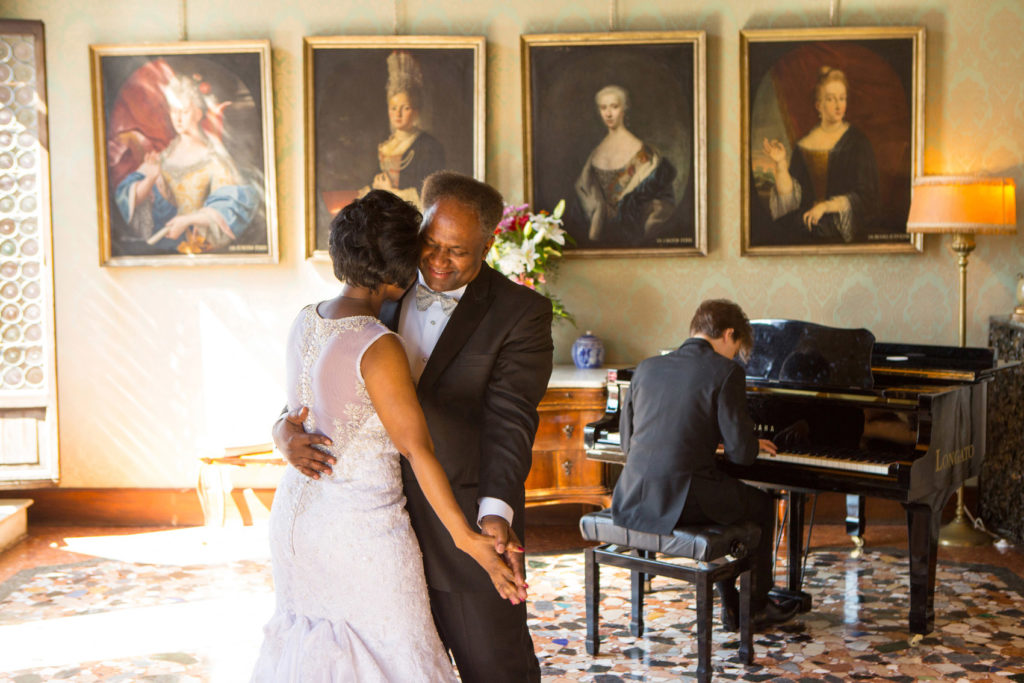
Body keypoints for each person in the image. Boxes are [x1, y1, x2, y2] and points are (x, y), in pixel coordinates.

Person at [274, 172, 553, 682]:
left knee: (496, 669)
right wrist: (281, 432)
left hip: (461, 526)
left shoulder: (521, 314)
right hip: (368, 534)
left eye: (458, 251)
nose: (439, 262)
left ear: (489, 243)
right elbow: (319, 389)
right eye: (431, 244)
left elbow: (510, 423)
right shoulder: (380, 286)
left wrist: (492, 515)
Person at [610, 299, 799, 631]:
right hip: (680, 500)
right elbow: (742, 455)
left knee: (724, 506)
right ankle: (755, 608)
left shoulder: (647, 368)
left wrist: (709, 440)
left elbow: (629, 444)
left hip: (631, 495)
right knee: (760, 506)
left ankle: (731, 604)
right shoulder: (726, 372)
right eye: (736, 348)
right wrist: (746, 442)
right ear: (728, 334)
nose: (734, 356)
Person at [113, 67, 258, 254]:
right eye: (174, 111)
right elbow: (126, 199)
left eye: (185, 111)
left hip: (200, 248)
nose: (178, 119)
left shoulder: (214, 160)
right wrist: (149, 180)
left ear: (198, 113)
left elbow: (228, 209)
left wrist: (189, 220)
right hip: (160, 251)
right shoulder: (161, 157)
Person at [761, 66, 879, 244]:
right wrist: (781, 165)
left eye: (842, 98)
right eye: (831, 99)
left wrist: (825, 207)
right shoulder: (802, 145)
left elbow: (867, 197)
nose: (839, 105)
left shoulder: (858, 142)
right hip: (807, 219)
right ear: (819, 105)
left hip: (842, 222)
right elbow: (791, 201)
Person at [574, 84, 676, 245]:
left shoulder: (644, 153)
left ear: (624, 109)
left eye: (614, 107)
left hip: (633, 237)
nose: (608, 114)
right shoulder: (594, 153)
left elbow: (662, 206)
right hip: (599, 239)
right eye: (603, 108)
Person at [357, 50, 445, 209]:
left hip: (410, 216)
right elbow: (370, 180)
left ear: (416, 112)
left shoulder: (429, 146)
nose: (398, 114)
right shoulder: (383, 143)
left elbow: (429, 197)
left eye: (405, 108)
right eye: (393, 108)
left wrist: (389, 191)